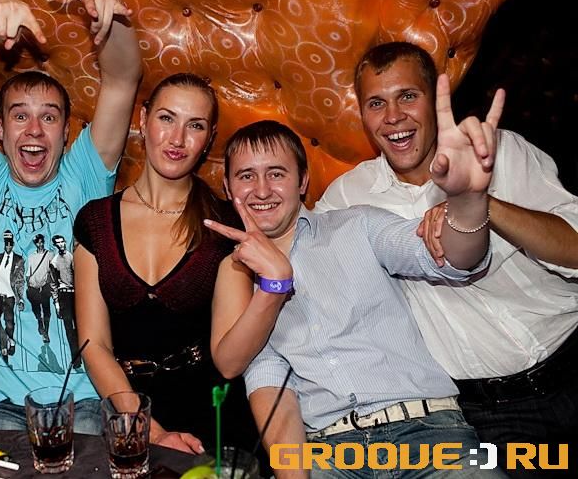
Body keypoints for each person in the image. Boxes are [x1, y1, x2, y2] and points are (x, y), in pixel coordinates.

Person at [315, 42, 578, 475]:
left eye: (407, 96)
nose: (392, 116)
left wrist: (479, 203)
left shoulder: (500, 151)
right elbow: (305, 273)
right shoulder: (346, 200)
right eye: (376, 103)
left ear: (438, 100)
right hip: (490, 413)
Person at [206, 112, 504, 477]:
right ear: (227, 186)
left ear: (303, 181)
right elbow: (268, 390)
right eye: (246, 176)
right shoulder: (241, 280)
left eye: (277, 173)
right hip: (331, 454)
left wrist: (469, 202)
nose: (262, 190)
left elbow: (449, 257)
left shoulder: (357, 226)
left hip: (428, 431)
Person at [0, 0, 141, 432]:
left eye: (48, 117)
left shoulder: (83, 174)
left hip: (86, 401)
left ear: (67, 132)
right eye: (20, 116)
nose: (33, 130)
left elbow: (123, 78)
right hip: (4, 407)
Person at [74, 73, 256, 454]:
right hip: (129, 414)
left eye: (195, 126)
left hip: (215, 417)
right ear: (143, 120)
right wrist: (152, 433)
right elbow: (94, 346)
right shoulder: (96, 221)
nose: (178, 139)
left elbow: (229, 358)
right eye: (167, 118)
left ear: (209, 138)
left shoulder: (224, 223)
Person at [0, 230, 25, 362]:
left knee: (9, 323)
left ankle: (11, 340)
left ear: (13, 244)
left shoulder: (19, 260)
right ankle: (3, 348)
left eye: (10, 244)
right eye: (7, 244)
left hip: (10, 296)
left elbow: (20, 281)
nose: (8, 246)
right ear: (4, 244)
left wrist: (20, 298)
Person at [49, 233, 79, 368]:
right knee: (69, 328)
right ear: (55, 245)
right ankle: (76, 359)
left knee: (80, 326)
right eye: (58, 243)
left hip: (76, 294)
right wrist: (56, 303)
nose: (61, 245)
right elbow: (53, 284)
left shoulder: (72, 257)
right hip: (63, 295)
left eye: (62, 242)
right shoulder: (54, 262)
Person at [26, 233, 53, 342]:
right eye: (38, 243)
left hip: (45, 285)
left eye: (42, 242)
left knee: (47, 310)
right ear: (35, 244)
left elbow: (52, 270)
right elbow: (29, 272)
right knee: (36, 308)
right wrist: (28, 284)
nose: (40, 244)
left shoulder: (49, 254)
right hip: (33, 285)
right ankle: (39, 322)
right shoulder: (31, 256)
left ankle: (46, 333)